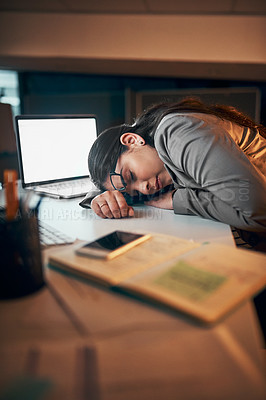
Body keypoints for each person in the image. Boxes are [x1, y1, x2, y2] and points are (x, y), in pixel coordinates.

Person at [88, 97, 266, 234]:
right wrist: (100, 199)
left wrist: (178, 200)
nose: (144, 189)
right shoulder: (161, 147)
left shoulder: (175, 133)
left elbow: (260, 215)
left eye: (131, 176)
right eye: (133, 192)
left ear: (132, 140)